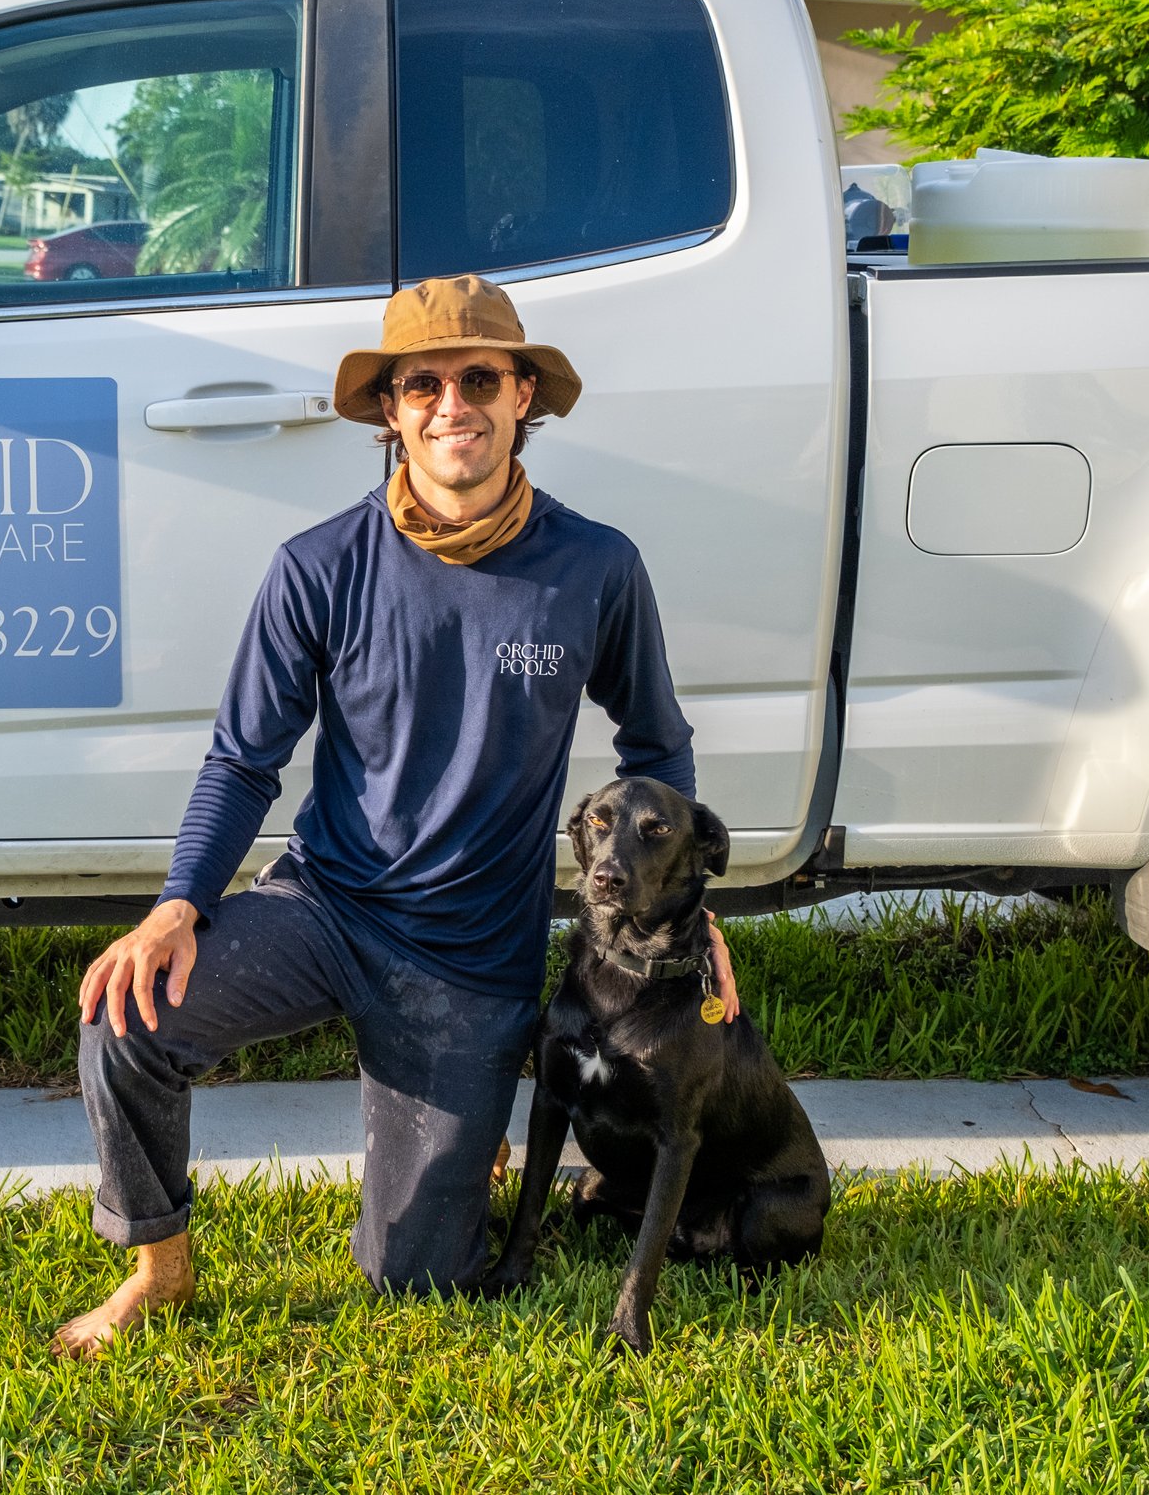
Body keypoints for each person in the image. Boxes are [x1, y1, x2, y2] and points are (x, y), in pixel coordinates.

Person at [52, 274, 736, 1356]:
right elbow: (242, 758)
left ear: (523, 398)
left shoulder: (595, 567)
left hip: (472, 959)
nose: (450, 403)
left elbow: (657, 747)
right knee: (125, 1017)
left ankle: (463, 1145)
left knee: (415, 1278)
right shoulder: (318, 566)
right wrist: (178, 901)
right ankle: (160, 1265)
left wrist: (687, 916)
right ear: (389, 409)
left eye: (478, 379)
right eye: (422, 383)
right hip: (326, 908)